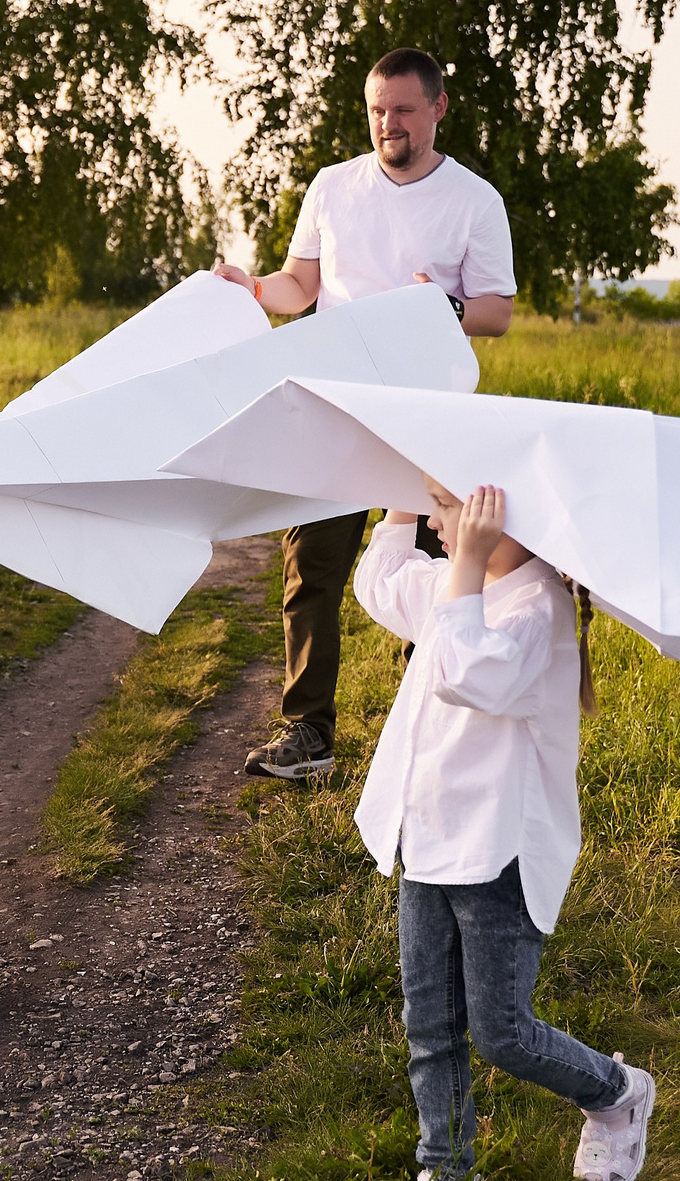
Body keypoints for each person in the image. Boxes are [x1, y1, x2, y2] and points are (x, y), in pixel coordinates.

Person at [344, 479, 655, 1181]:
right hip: (427, 842)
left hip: (495, 854)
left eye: (451, 509)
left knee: (502, 1032)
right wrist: (400, 506)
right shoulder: (466, 582)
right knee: (430, 1027)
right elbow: (380, 581)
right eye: (441, 510)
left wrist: (467, 562)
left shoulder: (535, 608)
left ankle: (617, 1090)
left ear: (508, 521)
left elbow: (465, 670)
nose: (443, 527)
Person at [213, 47, 521, 781]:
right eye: (379, 110)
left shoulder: (475, 200)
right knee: (310, 566)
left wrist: (439, 304)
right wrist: (249, 289)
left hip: (428, 418)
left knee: (439, 570)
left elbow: (498, 312)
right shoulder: (331, 186)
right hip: (336, 409)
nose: (390, 124)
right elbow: (300, 284)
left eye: (405, 110)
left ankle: (432, 729)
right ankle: (309, 735)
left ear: (438, 108)